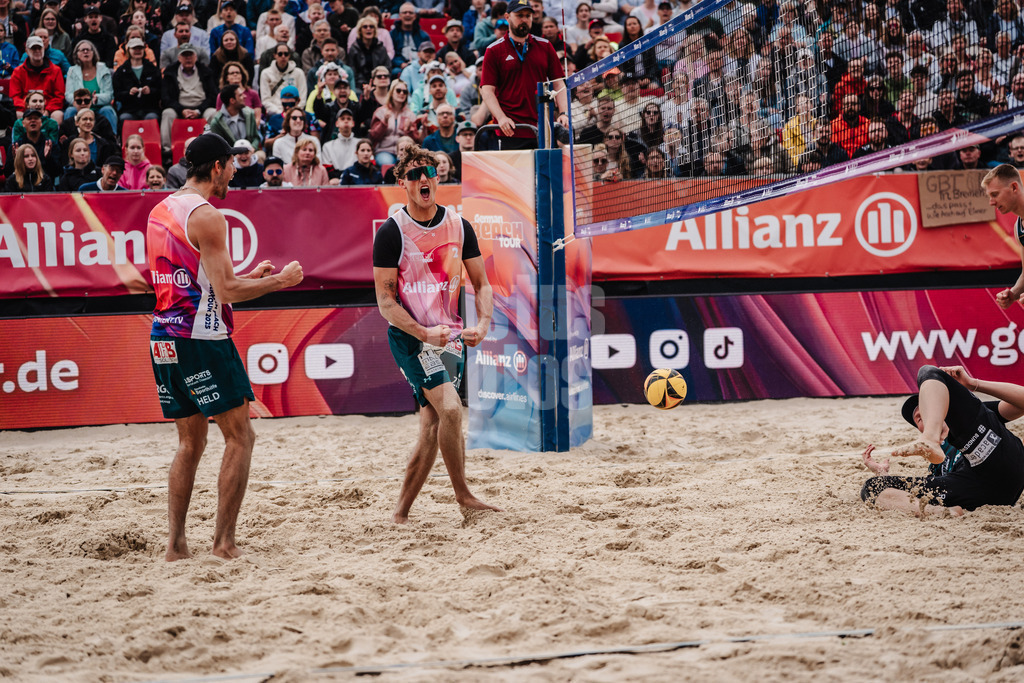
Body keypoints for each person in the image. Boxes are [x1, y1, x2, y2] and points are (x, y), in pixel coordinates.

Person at [146, 132, 304, 561]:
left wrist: (250, 273)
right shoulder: (208, 215)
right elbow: (227, 291)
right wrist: (279, 281)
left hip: (163, 338)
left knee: (189, 444)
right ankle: (223, 543)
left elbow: (199, 282)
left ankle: (176, 545)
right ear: (216, 166)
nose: (235, 171)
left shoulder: (160, 210)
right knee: (241, 438)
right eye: (231, 164)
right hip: (202, 340)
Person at [371, 145, 500, 524]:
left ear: (438, 176)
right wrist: (424, 332)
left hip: (450, 336)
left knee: (431, 426)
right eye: (413, 174)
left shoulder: (459, 225)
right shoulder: (392, 232)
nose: (423, 178)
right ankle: (464, 495)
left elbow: (483, 284)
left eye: (428, 171)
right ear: (402, 183)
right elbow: (385, 302)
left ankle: (400, 514)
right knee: (449, 410)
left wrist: (482, 325)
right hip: (412, 337)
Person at [860, 365, 1024, 517]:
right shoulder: (936, 465)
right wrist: (883, 474)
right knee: (873, 486)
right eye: (919, 418)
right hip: (977, 490)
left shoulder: (969, 419)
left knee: (928, 372)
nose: (925, 415)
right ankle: (942, 513)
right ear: (920, 428)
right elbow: (917, 491)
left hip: (1000, 459)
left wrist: (974, 384)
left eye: (928, 409)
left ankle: (930, 438)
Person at [479, 0, 567, 150]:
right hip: (511, 129)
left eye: (528, 15)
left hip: (543, 128)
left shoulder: (545, 46)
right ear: (507, 17)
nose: (524, 19)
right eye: (519, 15)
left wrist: (564, 113)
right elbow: (486, 90)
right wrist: (501, 118)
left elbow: (559, 84)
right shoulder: (493, 50)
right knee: (513, 174)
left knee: (545, 173)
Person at [160, 44, 218, 151]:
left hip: (202, 107)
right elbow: (165, 98)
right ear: (179, 58)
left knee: (214, 113)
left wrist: (198, 110)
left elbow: (213, 96)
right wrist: (181, 110)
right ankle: (167, 150)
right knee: (167, 113)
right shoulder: (170, 72)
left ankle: (214, 147)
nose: (188, 58)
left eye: (190, 55)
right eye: (185, 55)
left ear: (195, 57)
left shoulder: (206, 71)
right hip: (179, 108)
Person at [983, 164, 1024, 309]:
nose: (991, 202)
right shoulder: (1019, 227)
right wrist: (1013, 294)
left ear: (1014, 187)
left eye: (995, 194)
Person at [11, 35, 66, 122]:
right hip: (25, 108)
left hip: (48, 109)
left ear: (44, 49)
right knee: (18, 114)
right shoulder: (18, 72)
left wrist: (47, 110)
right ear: (27, 51)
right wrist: (28, 108)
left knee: (58, 114)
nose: (37, 51)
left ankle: (53, 136)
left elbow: (59, 96)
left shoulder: (55, 70)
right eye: (33, 49)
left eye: (39, 48)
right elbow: (15, 96)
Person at [113, 36, 163, 126]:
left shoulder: (152, 69)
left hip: (150, 108)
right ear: (128, 50)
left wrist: (150, 91)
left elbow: (160, 90)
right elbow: (117, 94)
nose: (137, 51)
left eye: (140, 48)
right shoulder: (121, 71)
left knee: (152, 118)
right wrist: (129, 93)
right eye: (134, 48)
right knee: (125, 118)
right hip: (129, 109)